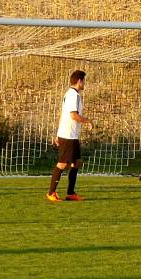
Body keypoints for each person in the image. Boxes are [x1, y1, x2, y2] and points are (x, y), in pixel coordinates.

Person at [46, 70, 93, 202]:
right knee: (62, 164)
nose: (84, 83)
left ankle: (70, 193)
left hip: (70, 135)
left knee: (76, 162)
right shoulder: (73, 95)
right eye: (83, 80)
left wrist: (57, 132)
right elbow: (73, 115)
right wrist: (87, 121)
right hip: (68, 135)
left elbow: (62, 114)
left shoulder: (70, 94)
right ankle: (51, 193)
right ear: (79, 81)